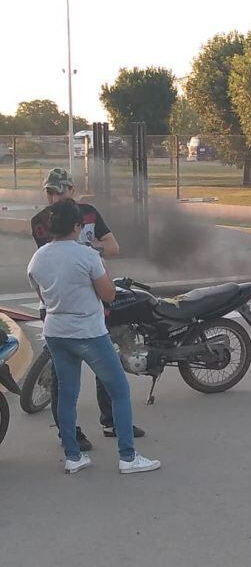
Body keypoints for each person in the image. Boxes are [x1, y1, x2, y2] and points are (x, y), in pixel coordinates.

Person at [27, 199, 160, 474]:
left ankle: (73, 457)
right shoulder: (87, 256)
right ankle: (127, 457)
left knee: (66, 393)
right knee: (120, 390)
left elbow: (42, 295)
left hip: (55, 332)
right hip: (89, 333)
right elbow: (109, 294)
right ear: (77, 226)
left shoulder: (38, 258)